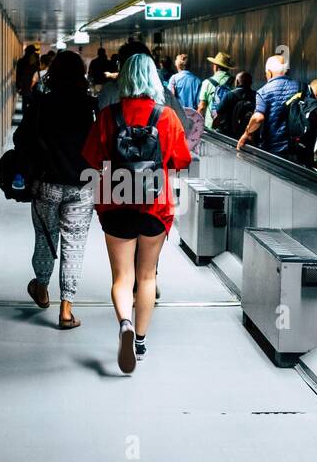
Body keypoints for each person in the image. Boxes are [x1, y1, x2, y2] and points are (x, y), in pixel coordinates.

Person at [81, 53, 191, 374]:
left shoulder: (108, 116)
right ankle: (140, 341)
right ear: (154, 79)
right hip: (154, 206)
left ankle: (125, 324)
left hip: (116, 201)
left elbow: (91, 159)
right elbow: (181, 160)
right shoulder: (167, 117)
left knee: (121, 277)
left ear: (124, 79)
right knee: (147, 276)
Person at [14, 51, 97, 329]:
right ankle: (66, 310)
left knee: (45, 237)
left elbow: (20, 138)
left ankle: (40, 286)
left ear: (53, 73)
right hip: (82, 186)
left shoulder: (41, 103)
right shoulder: (90, 106)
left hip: (47, 183)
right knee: (74, 245)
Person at [236, 55, 300, 160]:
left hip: (274, 150)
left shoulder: (264, 91)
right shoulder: (304, 87)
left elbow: (258, 118)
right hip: (299, 150)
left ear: (269, 73)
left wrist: (247, 133)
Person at [197, 52, 234, 130]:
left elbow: (202, 107)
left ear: (215, 66)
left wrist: (196, 124)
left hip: (211, 125)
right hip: (229, 125)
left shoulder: (207, 83)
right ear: (228, 68)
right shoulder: (235, 82)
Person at [213, 71, 256, 138]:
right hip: (248, 134)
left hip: (229, 133)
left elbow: (219, 112)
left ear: (237, 82)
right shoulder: (256, 95)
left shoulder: (230, 95)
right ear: (251, 83)